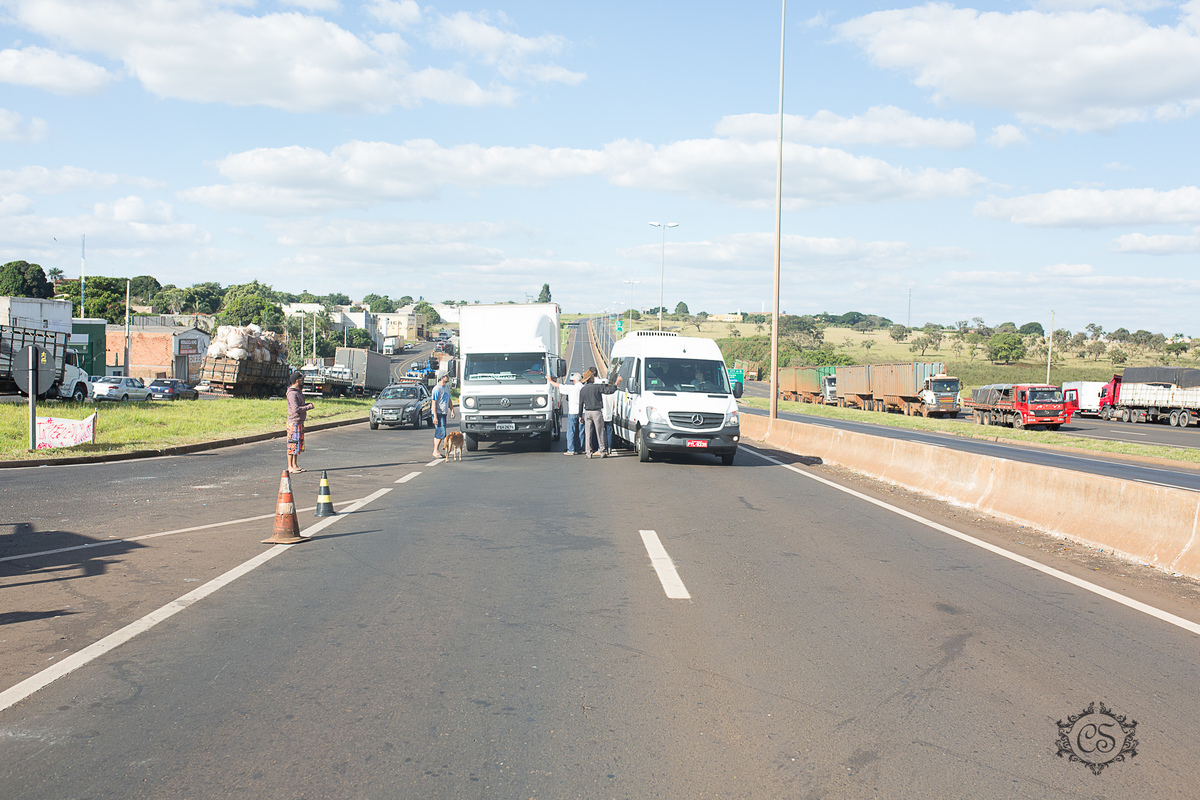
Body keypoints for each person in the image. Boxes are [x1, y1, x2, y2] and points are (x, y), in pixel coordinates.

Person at [578, 368, 622, 458]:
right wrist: (616, 383)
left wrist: (580, 416)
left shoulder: (583, 389)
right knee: (600, 432)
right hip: (596, 412)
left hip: (587, 412)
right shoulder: (597, 387)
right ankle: (602, 451)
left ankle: (588, 452)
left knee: (588, 433)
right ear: (590, 378)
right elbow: (609, 391)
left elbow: (580, 404)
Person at [548, 371, 584, 455]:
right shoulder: (584, 388)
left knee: (571, 431)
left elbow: (558, 386)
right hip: (582, 412)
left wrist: (550, 381)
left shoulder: (571, 388)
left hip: (573, 411)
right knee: (581, 431)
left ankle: (571, 449)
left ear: (574, 380)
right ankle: (579, 448)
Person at [285, 371, 315, 474]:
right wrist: (308, 407)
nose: (303, 381)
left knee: (297, 445)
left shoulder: (298, 392)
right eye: (302, 380)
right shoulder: (292, 393)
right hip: (294, 422)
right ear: (297, 381)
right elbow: (296, 409)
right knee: (292, 445)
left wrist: (306, 405)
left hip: (299, 422)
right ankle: (290, 466)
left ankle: (295, 465)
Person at [431, 373, 455, 459]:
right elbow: (434, 403)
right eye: (446, 376)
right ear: (442, 378)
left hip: (444, 413)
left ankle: (436, 451)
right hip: (438, 413)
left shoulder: (447, 388)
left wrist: (452, 410)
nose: (448, 378)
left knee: (441, 432)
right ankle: (435, 451)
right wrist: (435, 416)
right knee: (440, 431)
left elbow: (449, 400)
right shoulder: (436, 389)